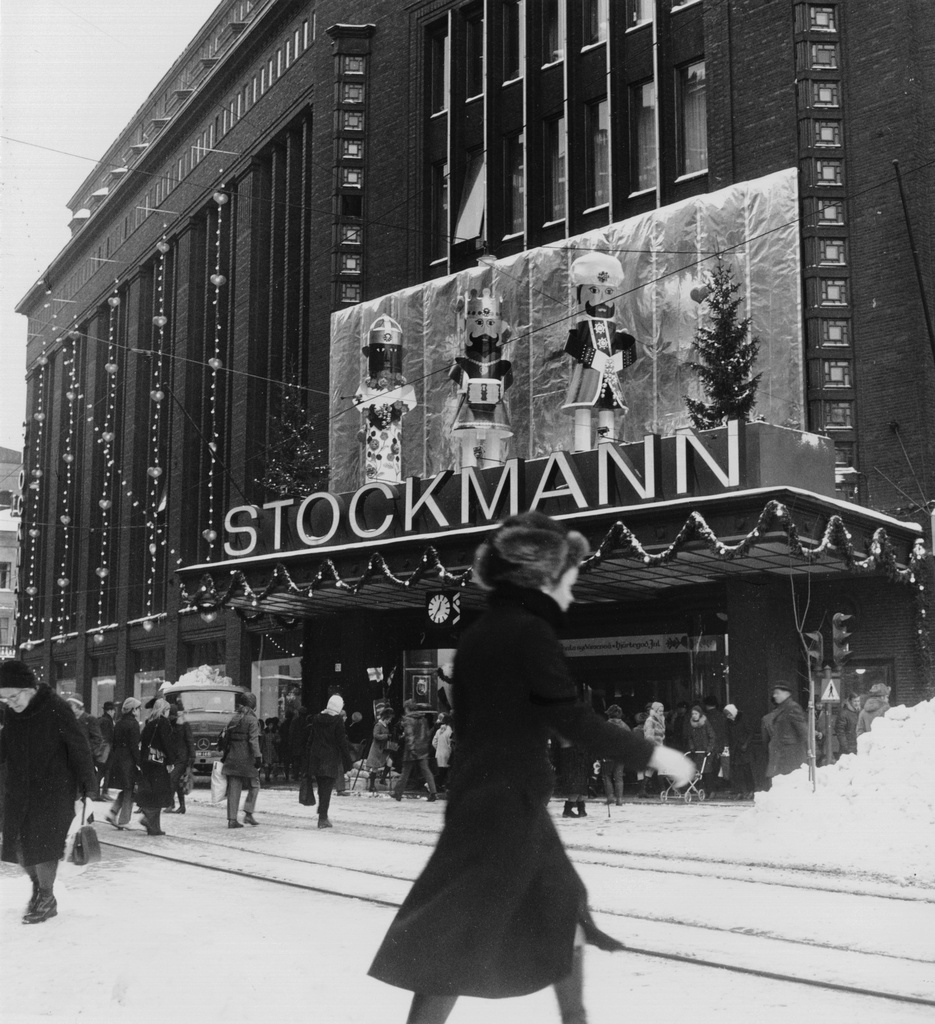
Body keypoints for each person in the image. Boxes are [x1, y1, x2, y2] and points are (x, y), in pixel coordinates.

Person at [369, 512, 693, 1024]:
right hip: (504, 806)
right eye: (568, 576)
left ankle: (576, 1020)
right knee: (454, 937)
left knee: (554, 908)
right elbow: (568, 716)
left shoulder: (480, 634)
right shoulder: (528, 633)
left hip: (491, 799)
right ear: (541, 576)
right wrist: (654, 753)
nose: (572, 589)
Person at [0, 660, 98, 925]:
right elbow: (6, 745)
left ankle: (46, 898)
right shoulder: (12, 713)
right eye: (4, 698)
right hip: (19, 791)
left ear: (29, 688)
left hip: (52, 791)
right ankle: (38, 888)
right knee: (19, 847)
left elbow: (79, 748)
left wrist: (90, 788)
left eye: (13, 696)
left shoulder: (56, 708)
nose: (10, 702)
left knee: (43, 847)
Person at [306, 694, 356, 828]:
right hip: (330, 758)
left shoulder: (317, 718)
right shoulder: (337, 721)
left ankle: (322, 811)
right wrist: (348, 760)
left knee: (322, 787)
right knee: (327, 788)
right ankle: (323, 818)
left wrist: (307, 758)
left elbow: (311, 739)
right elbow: (342, 742)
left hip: (317, 757)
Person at [221, 691, 262, 828]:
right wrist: (258, 757)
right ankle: (248, 813)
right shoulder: (252, 720)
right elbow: (253, 741)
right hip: (247, 759)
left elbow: (226, 739)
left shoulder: (234, 718)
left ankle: (232, 819)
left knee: (234, 789)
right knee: (254, 785)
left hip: (232, 758)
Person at [137, 698, 175, 836]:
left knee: (151, 792)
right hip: (159, 762)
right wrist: (171, 761)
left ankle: (154, 827)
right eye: (168, 710)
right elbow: (167, 743)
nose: (169, 713)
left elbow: (142, 742)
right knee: (159, 792)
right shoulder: (164, 723)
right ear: (164, 710)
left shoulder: (149, 723)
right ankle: (148, 819)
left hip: (147, 762)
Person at [761, 682, 808, 784]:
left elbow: (803, 732)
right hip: (782, 757)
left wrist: (809, 752)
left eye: (777, 693)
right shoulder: (782, 708)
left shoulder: (792, 707)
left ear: (786, 694)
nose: (774, 696)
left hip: (789, 758)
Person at [392, 699, 439, 802]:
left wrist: (412, 749)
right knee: (426, 771)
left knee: (405, 772)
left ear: (407, 708)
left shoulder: (408, 720)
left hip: (411, 751)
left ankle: (397, 793)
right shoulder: (423, 719)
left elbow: (410, 736)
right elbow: (427, 734)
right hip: (423, 749)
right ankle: (433, 792)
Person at [107, 698, 142, 829]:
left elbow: (114, 743)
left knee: (126, 788)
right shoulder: (133, 724)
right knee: (130, 790)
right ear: (133, 710)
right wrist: (139, 762)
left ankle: (113, 812)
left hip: (118, 759)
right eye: (138, 708)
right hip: (128, 761)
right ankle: (124, 820)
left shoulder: (119, 723)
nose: (139, 711)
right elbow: (134, 746)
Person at [65, 695, 106, 795]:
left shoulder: (89, 719)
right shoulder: (71, 720)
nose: (69, 708)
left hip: (86, 760)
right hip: (72, 759)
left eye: (71, 706)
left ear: (78, 706)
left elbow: (97, 738)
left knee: (85, 792)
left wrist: (87, 750)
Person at [723, 704, 755, 799]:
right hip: (734, 749)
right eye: (726, 715)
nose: (728, 716)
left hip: (744, 749)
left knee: (747, 771)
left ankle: (751, 790)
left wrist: (745, 744)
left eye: (729, 714)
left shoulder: (743, 718)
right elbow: (727, 734)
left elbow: (750, 732)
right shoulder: (728, 722)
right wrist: (726, 746)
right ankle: (739, 792)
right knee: (736, 772)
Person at [167, 705, 195, 813]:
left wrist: (192, 757)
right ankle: (182, 806)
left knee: (173, 778)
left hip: (183, 758)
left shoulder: (183, 725)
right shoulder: (170, 725)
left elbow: (189, 741)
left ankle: (171, 804)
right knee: (178, 782)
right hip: (174, 757)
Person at [600, 705, 630, 806]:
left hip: (609, 754)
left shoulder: (605, 725)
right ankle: (620, 799)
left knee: (606, 775)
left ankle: (610, 797)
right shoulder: (625, 726)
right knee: (619, 777)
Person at [686, 704, 718, 795]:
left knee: (707, 771)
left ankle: (711, 791)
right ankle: (703, 790)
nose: (694, 715)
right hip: (697, 751)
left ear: (700, 714)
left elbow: (712, 736)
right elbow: (690, 738)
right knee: (699, 772)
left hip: (706, 751)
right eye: (692, 714)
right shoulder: (691, 725)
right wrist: (691, 747)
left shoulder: (705, 723)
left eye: (696, 713)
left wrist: (709, 748)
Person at [637, 701, 666, 798]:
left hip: (659, 747)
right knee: (658, 768)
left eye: (662, 711)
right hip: (654, 748)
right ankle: (663, 790)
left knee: (651, 768)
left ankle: (642, 790)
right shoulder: (650, 720)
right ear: (655, 710)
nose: (661, 712)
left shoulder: (660, 719)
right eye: (660, 711)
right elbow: (649, 736)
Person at [366, 706, 395, 793]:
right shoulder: (378, 725)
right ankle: (371, 786)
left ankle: (383, 779)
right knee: (375, 767)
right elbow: (376, 735)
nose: (390, 721)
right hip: (377, 749)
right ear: (386, 718)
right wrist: (386, 736)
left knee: (390, 761)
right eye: (389, 719)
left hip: (384, 749)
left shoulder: (386, 726)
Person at [96, 701, 117, 799]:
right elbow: (110, 736)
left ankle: (97, 792)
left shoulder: (100, 719)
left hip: (101, 749)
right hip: (107, 750)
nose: (114, 713)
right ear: (110, 711)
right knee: (105, 771)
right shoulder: (108, 721)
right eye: (113, 711)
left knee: (101, 771)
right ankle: (103, 792)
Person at [834, 692, 861, 757]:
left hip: (858, 746)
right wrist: (846, 748)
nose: (857, 703)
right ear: (850, 701)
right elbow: (840, 732)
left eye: (858, 701)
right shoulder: (843, 714)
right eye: (855, 701)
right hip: (848, 749)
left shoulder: (859, 712)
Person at [432, 713, 453, 792]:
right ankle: (440, 786)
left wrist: (438, 749)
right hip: (447, 754)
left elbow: (434, 742)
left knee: (440, 772)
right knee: (445, 772)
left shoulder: (438, 731)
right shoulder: (450, 732)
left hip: (438, 754)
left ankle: (437, 786)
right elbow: (450, 745)